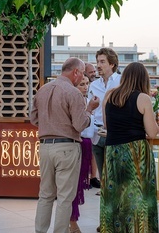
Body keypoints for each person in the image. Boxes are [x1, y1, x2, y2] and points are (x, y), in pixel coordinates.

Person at [31, 57, 99, 233]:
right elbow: (79, 124)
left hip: (45, 146)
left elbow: (33, 118)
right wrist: (90, 110)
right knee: (64, 197)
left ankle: (40, 230)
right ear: (75, 72)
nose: (83, 76)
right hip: (67, 147)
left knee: (45, 195)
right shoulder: (73, 92)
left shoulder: (42, 90)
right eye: (82, 72)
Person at [100, 62, 159, 232]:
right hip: (135, 152)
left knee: (115, 197)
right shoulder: (143, 98)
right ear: (143, 79)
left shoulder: (109, 95)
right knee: (138, 198)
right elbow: (152, 132)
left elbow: (106, 124)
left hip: (112, 152)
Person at [88, 47, 121, 232]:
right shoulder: (94, 85)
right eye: (97, 61)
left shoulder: (121, 82)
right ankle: (105, 222)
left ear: (112, 64)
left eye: (102, 62)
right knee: (104, 181)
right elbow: (90, 108)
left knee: (114, 181)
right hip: (97, 135)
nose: (98, 65)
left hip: (115, 135)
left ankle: (116, 221)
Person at [69, 74, 95, 233]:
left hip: (87, 145)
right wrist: (89, 110)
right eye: (81, 84)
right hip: (77, 144)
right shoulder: (76, 102)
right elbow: (80, 126)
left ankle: (72, 220)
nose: (86, 87)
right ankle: (71, 221)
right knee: (72, 186)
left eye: (87, 84)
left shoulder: (86, 101)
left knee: (77, 186)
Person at [84, 62, 100, 189]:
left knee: (93, 152)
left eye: (94, 71)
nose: (94, 74)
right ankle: (85, 178)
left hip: (95, 123)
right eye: (91, 72)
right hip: (84, 126)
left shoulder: (96, 85)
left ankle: (93, 177)